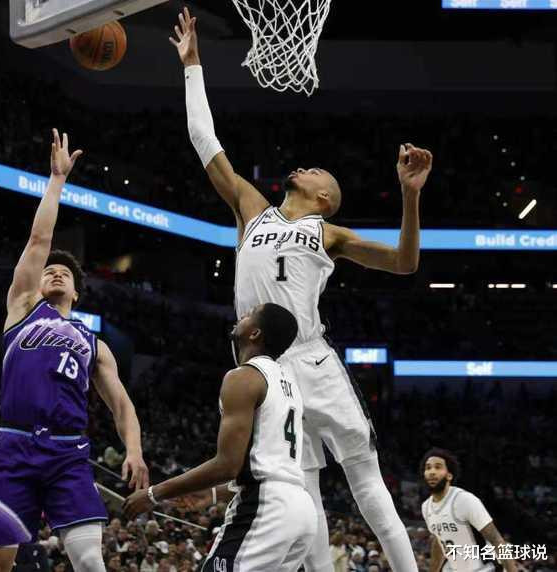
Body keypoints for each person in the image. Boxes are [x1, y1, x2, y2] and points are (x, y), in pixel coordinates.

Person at [169, 8, 433, 572]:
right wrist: (192, 66)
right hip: (265, 367)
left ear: (324, 199)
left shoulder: (327, 231)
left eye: (318, 174)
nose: (307, 168)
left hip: (312, 358)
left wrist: (410, 197)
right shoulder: (252, 210)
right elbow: (203, 140)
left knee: (363, 474)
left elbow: (405, 263)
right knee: (301, 484)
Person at [0, 129, 149, 572]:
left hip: (68, 453)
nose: (55, 274)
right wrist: (57, 181)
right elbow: (39, 241)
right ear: (35, 285)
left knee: (91, 561)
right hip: (14, 445)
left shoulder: (95, 344)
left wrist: (134, 450)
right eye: (48, 272)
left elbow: (122, 405)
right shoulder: (23, 309)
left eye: (64, 274)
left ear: (76, 292)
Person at [125, 303, 317, 572]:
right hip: (301, 509)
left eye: (250, 314)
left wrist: (154, 494)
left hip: (267, 507)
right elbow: (269, 467)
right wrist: (214, 494)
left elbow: (227, 465)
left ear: (255, 333)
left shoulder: (244, 377)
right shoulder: (290, 385)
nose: (242, 316)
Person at [420, 448, 517, 572]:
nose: (432, 472)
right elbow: (439, 542)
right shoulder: (426, 507)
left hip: (485, 568)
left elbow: (496, 539)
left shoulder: (464, 500)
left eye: (438, 467)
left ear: (449, 475)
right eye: (428, 468)